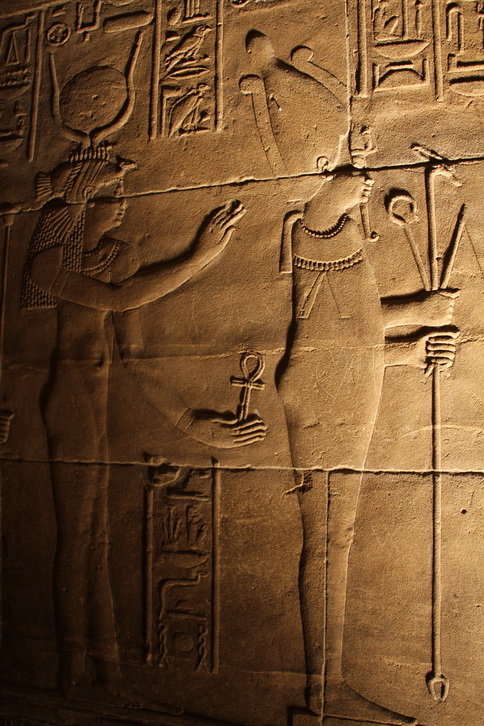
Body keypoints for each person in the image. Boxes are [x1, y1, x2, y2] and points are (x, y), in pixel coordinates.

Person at [22, 144, 264, 698]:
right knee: (77, 536)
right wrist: (197, 258)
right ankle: (72, 668)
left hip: (99, 403)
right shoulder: (50, 263)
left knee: (99, 539)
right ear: (83, 201)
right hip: (68, 405)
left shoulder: (118, 256)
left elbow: (134, 359)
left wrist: (191, 421)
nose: (124, 205)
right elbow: (118, 301)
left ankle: (106, 669)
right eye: (113, 195)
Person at [277, 165, 458, 721]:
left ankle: (326, 684)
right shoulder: (315, 230)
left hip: (344, 388)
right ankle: (323, 689)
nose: (363, 181)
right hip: (326, 397)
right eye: (351, 173)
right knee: (328, 539)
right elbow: (339, 330)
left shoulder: (344, 234)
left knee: (337, 538)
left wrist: (414, 348)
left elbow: (353, 332)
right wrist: (420, 312)